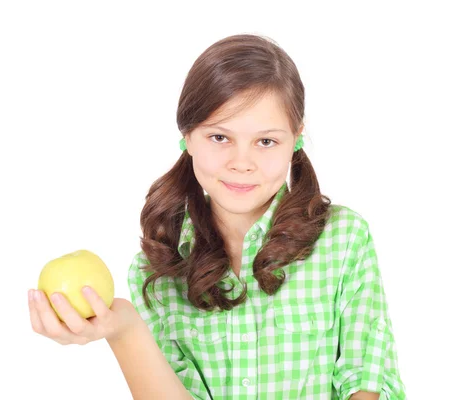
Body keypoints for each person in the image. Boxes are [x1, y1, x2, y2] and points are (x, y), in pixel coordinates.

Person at [28, 33, 406, 400]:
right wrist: (124, 328)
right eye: (220, 138)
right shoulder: (156, 270)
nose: (241, 163)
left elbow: (368, 377)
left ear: (296, 139)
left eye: (266, 141)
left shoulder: (342, 238)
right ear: (188, 136)